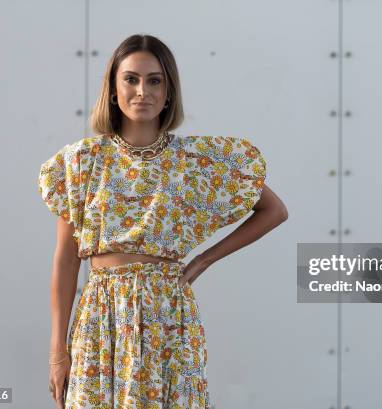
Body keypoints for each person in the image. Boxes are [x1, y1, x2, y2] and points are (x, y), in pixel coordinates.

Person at [38, 34, 288, 409]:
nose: (143, 91)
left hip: (168, 315)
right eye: (131, 79)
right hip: (101, 316)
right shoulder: (80, 162)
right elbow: (66, 259)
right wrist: (58, 350)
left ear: (169, 91)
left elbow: (274, 211)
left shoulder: (193, 162)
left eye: (155, 80)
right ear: (113, 89)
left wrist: (204, 259)